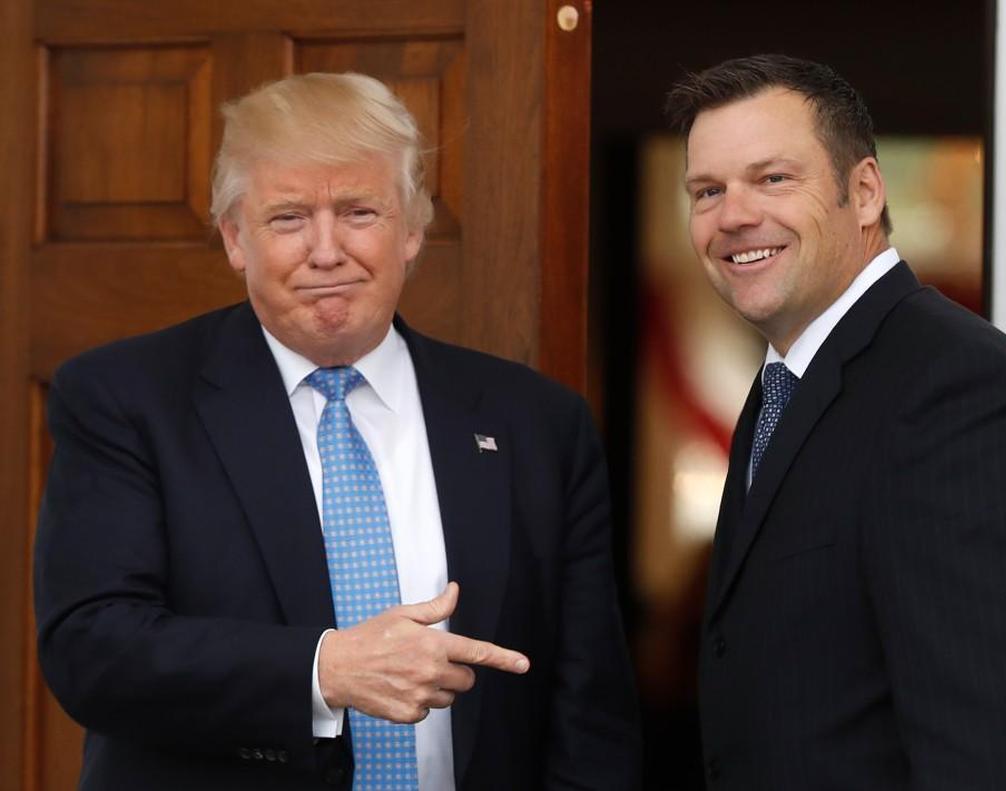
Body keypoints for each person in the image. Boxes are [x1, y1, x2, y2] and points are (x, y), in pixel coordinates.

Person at [35, 72, 640, 791]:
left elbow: (589, 713)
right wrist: (323, 670)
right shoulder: (127, 398)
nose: (327, 251)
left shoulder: (537, 422)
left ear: (412, 228)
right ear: (235, 237)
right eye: (288, 218)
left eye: (359, 211)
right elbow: (92, 649)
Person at [665, 54, 1006, 790]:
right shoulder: (783, 390)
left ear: (863, 192)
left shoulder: (958, 392)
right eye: (708, 190)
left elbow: (999, 758)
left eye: (772, 178)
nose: (733, 215)